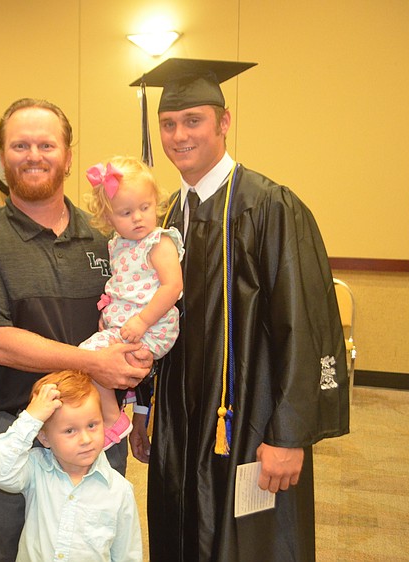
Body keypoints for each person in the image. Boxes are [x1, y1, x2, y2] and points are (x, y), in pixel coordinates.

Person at [127, 58, 350, 561]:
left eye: (193, 121)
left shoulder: (270, 207)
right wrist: (143, 408)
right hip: (179, 429)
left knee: (251, 545)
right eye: (168, 123)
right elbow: (145, 316)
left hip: (248, 425)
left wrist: (289, 436)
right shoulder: (162, 217)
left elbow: (305, 325)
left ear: (224, 122)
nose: (179, 135)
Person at [0, 98, 153, 561]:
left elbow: (136, 311)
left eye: (46, 144)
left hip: (96, 431)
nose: (33, 155)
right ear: (1, 156)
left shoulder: (108, 234)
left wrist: (139, 357)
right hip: (18, 434)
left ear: (68, 155)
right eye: (19, 145)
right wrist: (91, 362)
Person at [79, 156, 183, 449]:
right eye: (126, 212)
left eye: (145, 208)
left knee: (87, 356)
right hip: (129, 324)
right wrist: (109, 311)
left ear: (156, 204)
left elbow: (173, 286)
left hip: (154, 326)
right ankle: (118, 406)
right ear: (109, 219)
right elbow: (125, 286)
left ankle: (113, 418)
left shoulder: (159, 242)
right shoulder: (118, 244)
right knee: (93, 359)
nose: (138, 217)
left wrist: (142, 320)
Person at [0, 369, 142, 561]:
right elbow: (0, 473)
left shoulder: (119, 491)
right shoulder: (36, 468)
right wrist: (31, 418)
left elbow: (127, 554)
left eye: (92, 425)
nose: (85, 439)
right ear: (44, 437)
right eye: (70, 430)